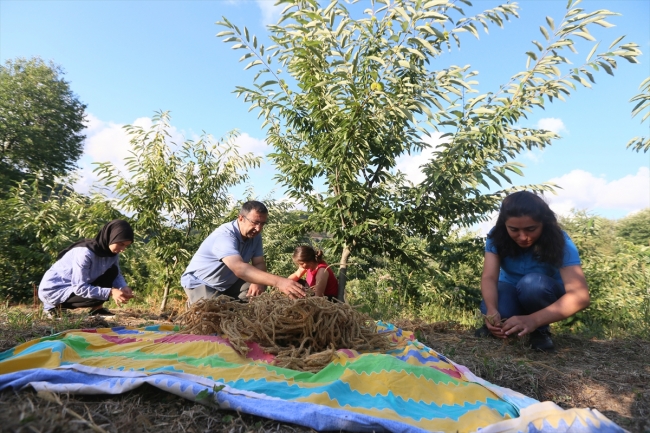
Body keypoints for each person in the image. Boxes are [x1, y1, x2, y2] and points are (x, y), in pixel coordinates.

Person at [476, 191, 590, 352]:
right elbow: (489, 277)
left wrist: (534, 320)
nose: (523, 237)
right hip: (509, 289)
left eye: (531, 229)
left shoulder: (561, 241)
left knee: (532, 284)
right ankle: (505, 327)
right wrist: (491, 310)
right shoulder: (496, 237)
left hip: (540, 291)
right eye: (514, 229)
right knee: (501, 309)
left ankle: (540, 331)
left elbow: (580, 296)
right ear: (504, 225)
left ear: (544, 223)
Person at [181, 200, 306, 304]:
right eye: (255, 222)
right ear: (241, 218)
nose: (259, 228)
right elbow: (239, 268)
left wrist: (258, 282)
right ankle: (196, 305)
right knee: (212, 314)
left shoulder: (255, 236)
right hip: (201, 283)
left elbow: (259, 263)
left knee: (259, 286)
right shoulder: (224, 236)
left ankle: (236, 315)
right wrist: (280, 282)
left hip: (228, 283)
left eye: (262, 224)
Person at [39, 219, 135, 318]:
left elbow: (116, 274)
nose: (123, 250)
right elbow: (79, 288)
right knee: (101, 294)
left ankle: (97, 310)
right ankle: (53, 308)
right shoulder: (85, 253)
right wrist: (111, 292)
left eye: (126, 246)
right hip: (55, 290)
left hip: (74, 288)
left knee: (112, 271)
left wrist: (123, 287)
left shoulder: (113, 254)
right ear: (111, 237)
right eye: (121, 244)